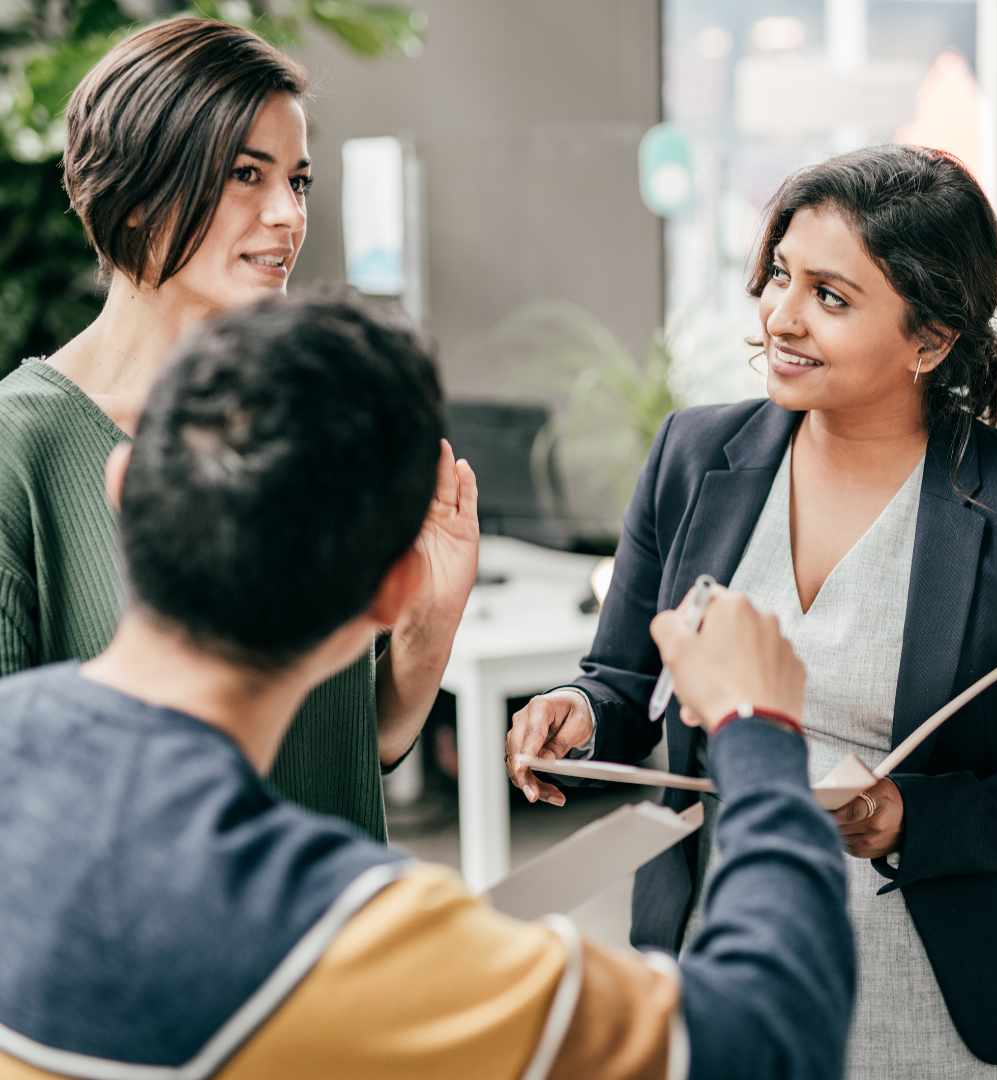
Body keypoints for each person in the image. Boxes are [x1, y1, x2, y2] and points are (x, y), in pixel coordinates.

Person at [0, 287, 853, 1080]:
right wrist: (755, 723)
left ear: (122, 492)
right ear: (390, 589)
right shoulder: (359, 938)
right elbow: (769, 1038)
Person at [506, 145, 997, 1077]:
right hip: (727, 955)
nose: (779, 315)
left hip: (942, 992)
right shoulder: (695, 456)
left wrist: (914, 818)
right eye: (780, 274)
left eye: (831, 296)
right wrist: (578, 713)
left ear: (929, 341)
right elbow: (620, 680)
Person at [0, 18, 478, 836]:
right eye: (245, 175)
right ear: (141, 190)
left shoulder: (308, 420)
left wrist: (428, 624)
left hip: (335, 939)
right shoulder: (22, 445)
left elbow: (345, 746)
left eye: (297, 180)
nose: (287, 215)